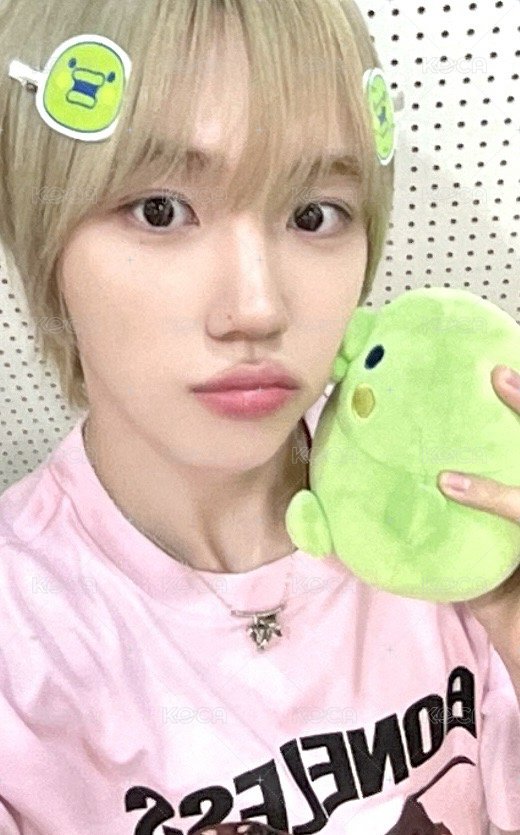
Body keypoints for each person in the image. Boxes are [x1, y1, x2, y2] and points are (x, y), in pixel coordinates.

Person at [0, 0, 518, 832]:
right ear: (45, 238)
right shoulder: (23, 648)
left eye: (314, 214)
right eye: (160, 209)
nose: (257, 307)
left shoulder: (450, 517)